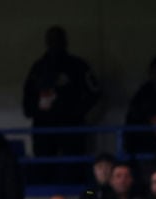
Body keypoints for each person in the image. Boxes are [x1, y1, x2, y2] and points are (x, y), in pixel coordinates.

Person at [21, 25, 99, 180]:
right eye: (51, 40)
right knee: (44, 168)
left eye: (58, 40)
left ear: (65, 42)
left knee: (74, 169)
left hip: (70, 126)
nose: (55, 43)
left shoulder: (77, 65)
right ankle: (48, 198)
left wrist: (77, 111)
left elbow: (95, 92)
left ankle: (83, 194)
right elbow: (28, 97)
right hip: (44, 127)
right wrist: (34, 110)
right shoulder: (38, 68)